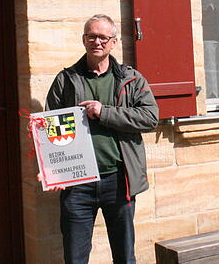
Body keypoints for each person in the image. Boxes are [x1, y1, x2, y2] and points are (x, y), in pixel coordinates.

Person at [45, 14, 159, 264]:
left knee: (125, 257)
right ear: (83, 39)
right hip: (77, 184)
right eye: (91, 36)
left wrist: (104, 112)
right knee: (75, 258)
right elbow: (51, 128)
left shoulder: (131, 79)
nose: (97, 41)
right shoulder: (66, 80)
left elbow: (150, 118)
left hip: (118, 181)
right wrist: (53, 169)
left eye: (103, 37)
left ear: (114, 42)